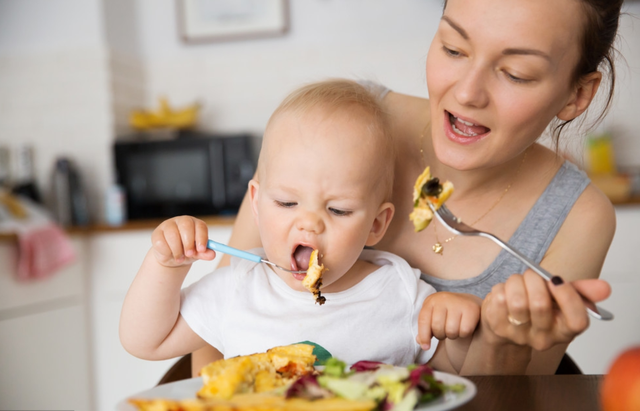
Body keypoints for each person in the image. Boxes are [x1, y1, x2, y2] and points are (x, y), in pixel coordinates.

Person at [191, 0, 621, 376]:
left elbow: (511, 394)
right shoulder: (338, 124)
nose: (467, 93)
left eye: (516, 73)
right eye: (453, 48)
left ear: (577, 95)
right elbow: (215, 326)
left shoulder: (577, 217)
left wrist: (501, 344)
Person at [119, 79, 484, 372]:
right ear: (257, 205)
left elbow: (449, 376)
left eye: (338, 210)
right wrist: (165, 265)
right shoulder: (238, 288)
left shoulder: (401, 294)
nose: (309, 223)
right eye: (287, 203)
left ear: (376, 224)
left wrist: (457, 328)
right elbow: (145, 341)